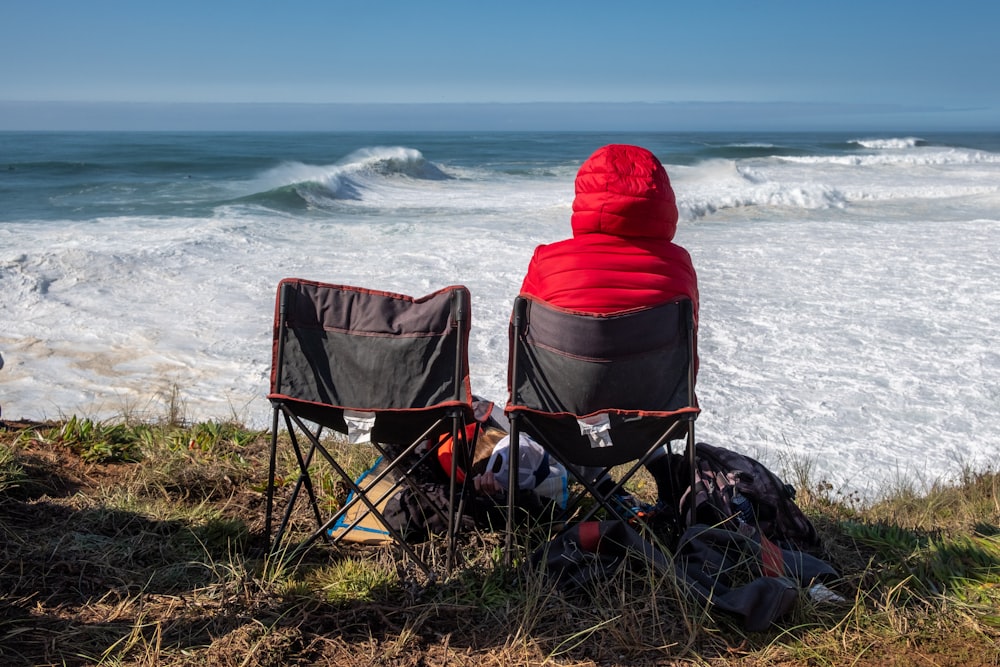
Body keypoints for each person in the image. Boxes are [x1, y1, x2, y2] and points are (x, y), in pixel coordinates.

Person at [518, 143, 700, 504]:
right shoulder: (679, 266)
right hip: (652, 421)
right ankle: (659, 473)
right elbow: (686, 359)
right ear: (663, 197)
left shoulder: (546, 261)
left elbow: (524, 357)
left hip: (558, 421)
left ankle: (592, 483)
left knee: (581, 382)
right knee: (631, 380)